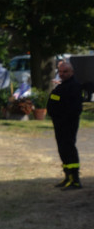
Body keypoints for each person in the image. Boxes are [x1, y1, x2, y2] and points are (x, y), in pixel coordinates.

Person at [48, 60, 82, 189]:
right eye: (60, 71)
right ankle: (68, 177)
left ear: (72, 72)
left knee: (68, 149)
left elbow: (74, 108)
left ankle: (75, 180)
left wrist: (63, 118)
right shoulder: (62, 86)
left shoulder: (74, 86)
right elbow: (55, 100)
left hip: (67, 124)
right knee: (62, 150)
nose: (62, 74)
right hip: (59, 124)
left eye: (65, 71)